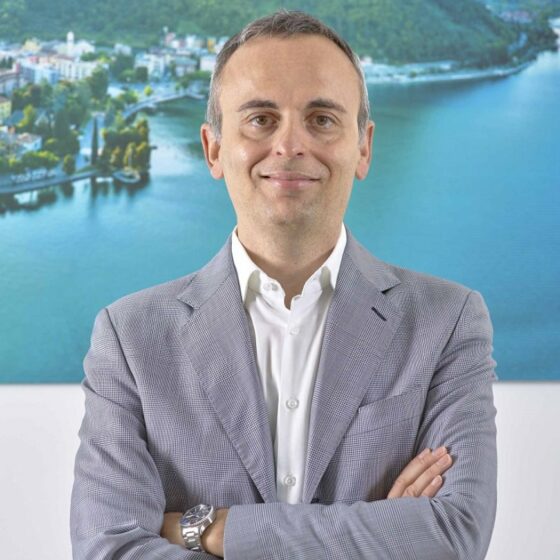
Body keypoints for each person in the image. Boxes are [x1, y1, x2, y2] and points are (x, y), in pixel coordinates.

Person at [70, 10, 497, 560]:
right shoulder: (129, 338)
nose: (290, 144)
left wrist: (208, 529)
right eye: (260, 119)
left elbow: (454, 536)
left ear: (363, 148)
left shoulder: (448, 321)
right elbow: (109, 550)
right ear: (213, 149)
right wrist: (382, 532)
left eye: (321, 119)